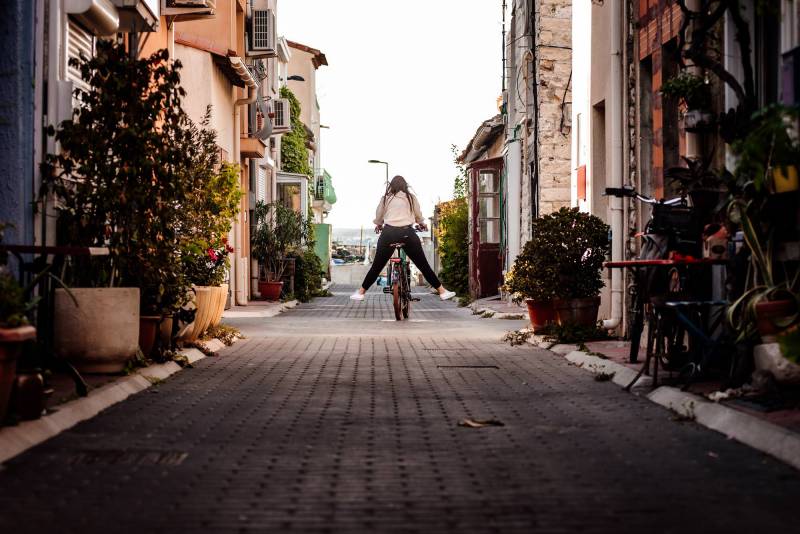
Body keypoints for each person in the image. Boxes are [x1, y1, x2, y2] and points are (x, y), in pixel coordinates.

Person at [350, 175, 456, 301]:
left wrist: (379, 224)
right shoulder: (411, 198)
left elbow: (379, 217)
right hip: (407, 234)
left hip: (388, 234)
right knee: (423, 265)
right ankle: (442, 291)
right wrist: (421, 223)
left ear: (391, 186)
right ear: (405, 186)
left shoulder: (385, 199)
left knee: (377, 266)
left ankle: (361, 293)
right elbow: (418, 216)